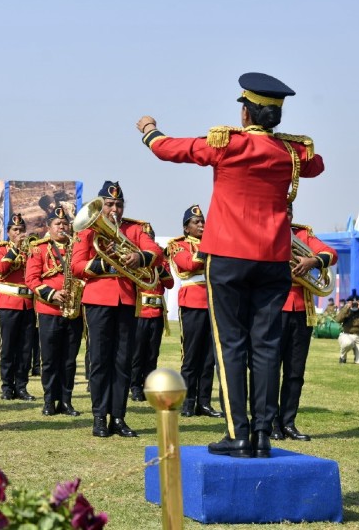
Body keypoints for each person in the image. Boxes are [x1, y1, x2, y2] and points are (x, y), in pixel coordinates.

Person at [137, 72, 324, 458]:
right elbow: (316, 164)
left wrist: (149, 129)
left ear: (245, 113)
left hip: (228, 258)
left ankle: (237, 433)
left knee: (231, 345)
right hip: (273, 261)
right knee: (268, 347)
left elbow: (168, 148)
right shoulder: (291, 152)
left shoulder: (228, 145)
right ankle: (263, 435)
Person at [71, 181, 164, 439]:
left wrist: (139, 258)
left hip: (126, 300)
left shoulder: (134, 229)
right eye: (110, 204)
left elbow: (155, 251)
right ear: (100, 206)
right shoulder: (87, 232)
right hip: (98, 299)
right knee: (100, 359)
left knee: (123, 361)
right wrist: (103, 262)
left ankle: (119, 417)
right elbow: (77, 266)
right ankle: (100, 417)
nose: (115, 209)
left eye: (119, 204)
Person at [273, 203, 338, 441]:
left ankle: (288, 422)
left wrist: (313, 262)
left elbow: (331, 253)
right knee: (269, 370)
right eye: (282, 209)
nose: (286, 214)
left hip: (302, 311)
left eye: (289, 210)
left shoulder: (302, 234)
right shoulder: (262, 233)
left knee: (295, 372)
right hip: (272, 310)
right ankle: (269, 423)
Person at [25, 206, 84, 417]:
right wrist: (52, 294)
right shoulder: (39, 248)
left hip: (74, 310)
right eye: (57, 224)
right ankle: (49, 400)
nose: (62, 227)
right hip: (49, 309)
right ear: (48, 227)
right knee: (49, 359)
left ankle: (66, 401)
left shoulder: (77, 248)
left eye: (65, 223)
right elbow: (31, 280)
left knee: (69, 360)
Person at [166, 205, 223, 419]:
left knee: (209, 357)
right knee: (191, 357)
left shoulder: (214, 245)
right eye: (196, 222)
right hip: (193, 301)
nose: (201, 225)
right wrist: (209, 248)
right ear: (186, 228)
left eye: (202, 222)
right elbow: (188, 264)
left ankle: (204, 402)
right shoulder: (178, 245)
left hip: (214, 302)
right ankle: (188, 402)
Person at [0, 214, 38, 402]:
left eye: (21, 230)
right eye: (15, 230)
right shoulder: (0, 249)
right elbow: (0, 271)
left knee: (25, 348)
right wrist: (15, 249)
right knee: (8, 347)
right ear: (8, 232)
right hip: (8, 302)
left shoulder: (31, 250)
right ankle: (7, 387)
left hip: (27, 303)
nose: (19, 233)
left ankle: (22, 386)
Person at [130, 223, 174, 403]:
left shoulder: (161, 260)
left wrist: (158, 265)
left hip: (156, 313)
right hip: (140, 311)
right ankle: (134, 386)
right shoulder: (133, 259)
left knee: (152, 353)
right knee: (137, 352)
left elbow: (170, 283)